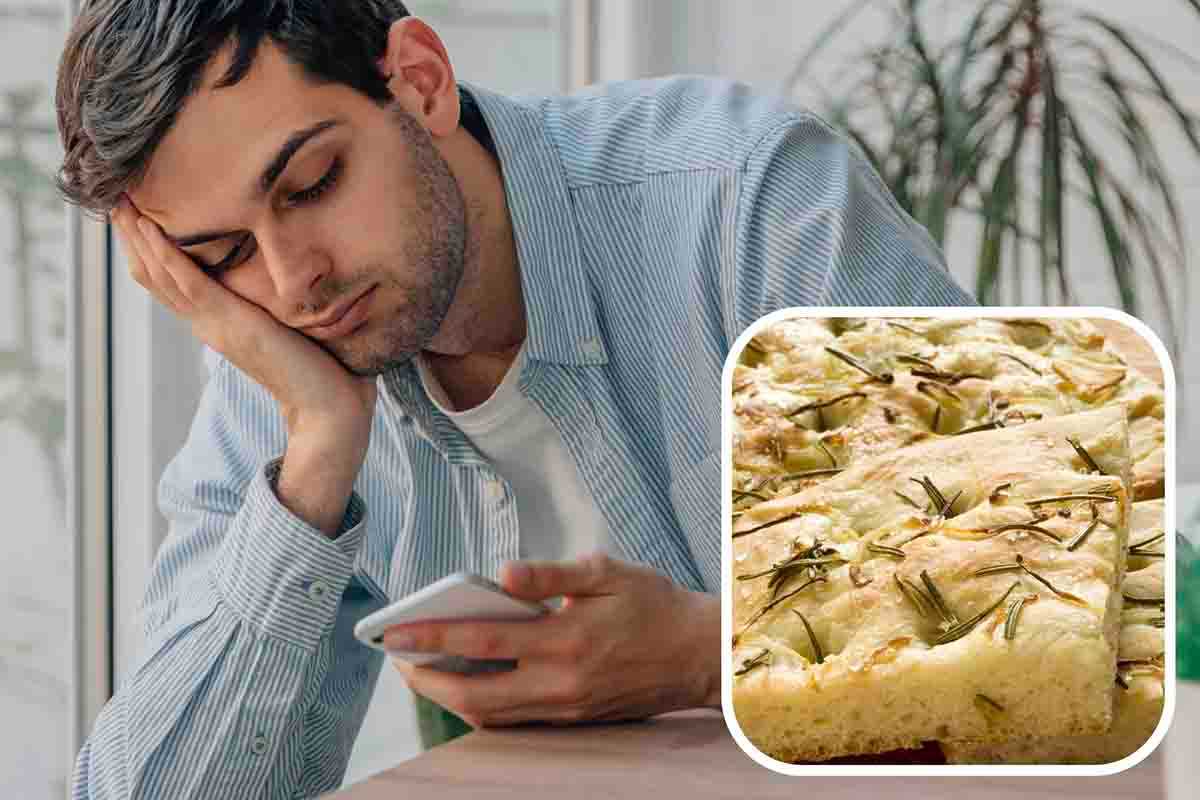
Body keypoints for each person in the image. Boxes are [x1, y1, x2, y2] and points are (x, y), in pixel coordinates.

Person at [56, 0, 974, 797]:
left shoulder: (745, 198)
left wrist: (711, 655)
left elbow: (1066, 592)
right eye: (224, 257)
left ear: (420, 81)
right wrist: (322, 443)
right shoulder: (288, 372)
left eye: (314, 184)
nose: (296, 283)